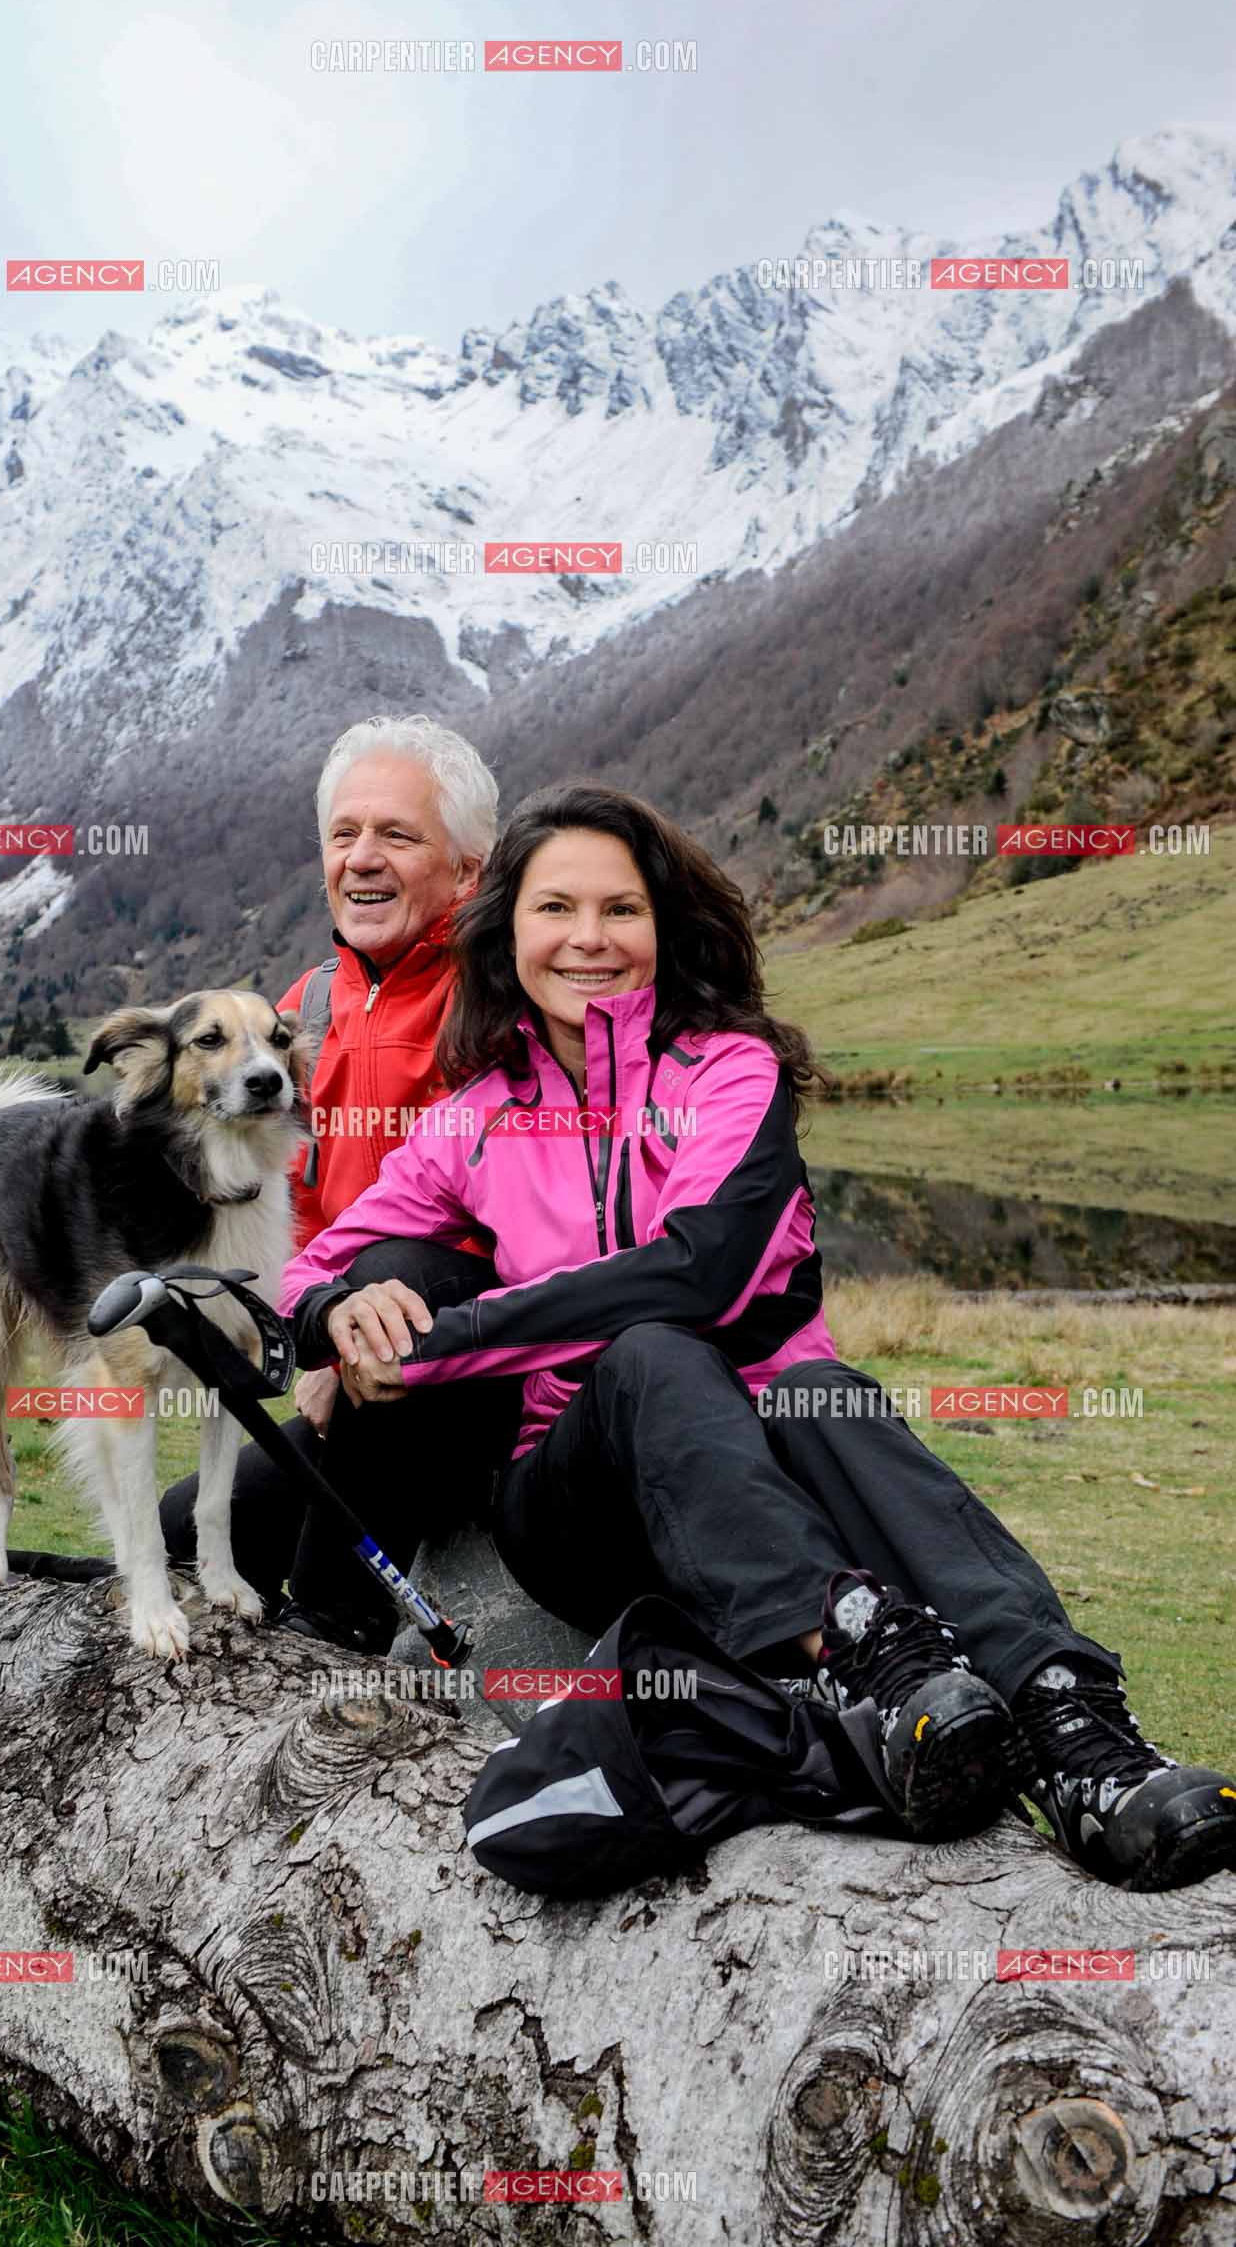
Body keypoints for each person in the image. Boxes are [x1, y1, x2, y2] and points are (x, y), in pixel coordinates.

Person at [275, 780, 1236, 1892]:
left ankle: (1079, 1738)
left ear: (665, 926)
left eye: (620, 910)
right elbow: (310, 1265)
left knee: (818, 1392)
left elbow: (704, 1269)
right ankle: (866, 1651)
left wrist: (452, 1336)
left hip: (773, 1466)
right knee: (649, 1357)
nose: (588, 939)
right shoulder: (471, 1117)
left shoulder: (734, 1072)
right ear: (508, 933)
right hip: (581, 1503)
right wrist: (331, 1311)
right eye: (555, 910)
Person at [158, 713, 499, 1629]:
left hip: (471, 1365)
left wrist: (345, 1329)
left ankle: (339, 1629)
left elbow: (520, 1221)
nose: (362, 858)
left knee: (395, 1285)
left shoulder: (506, 995)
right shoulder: (302, 1009)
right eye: (344, 834)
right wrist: (309, 1339)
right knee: (178, 1529)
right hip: (340, 1363)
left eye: (398, 834)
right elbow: (278, 1204)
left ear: (468, 867)